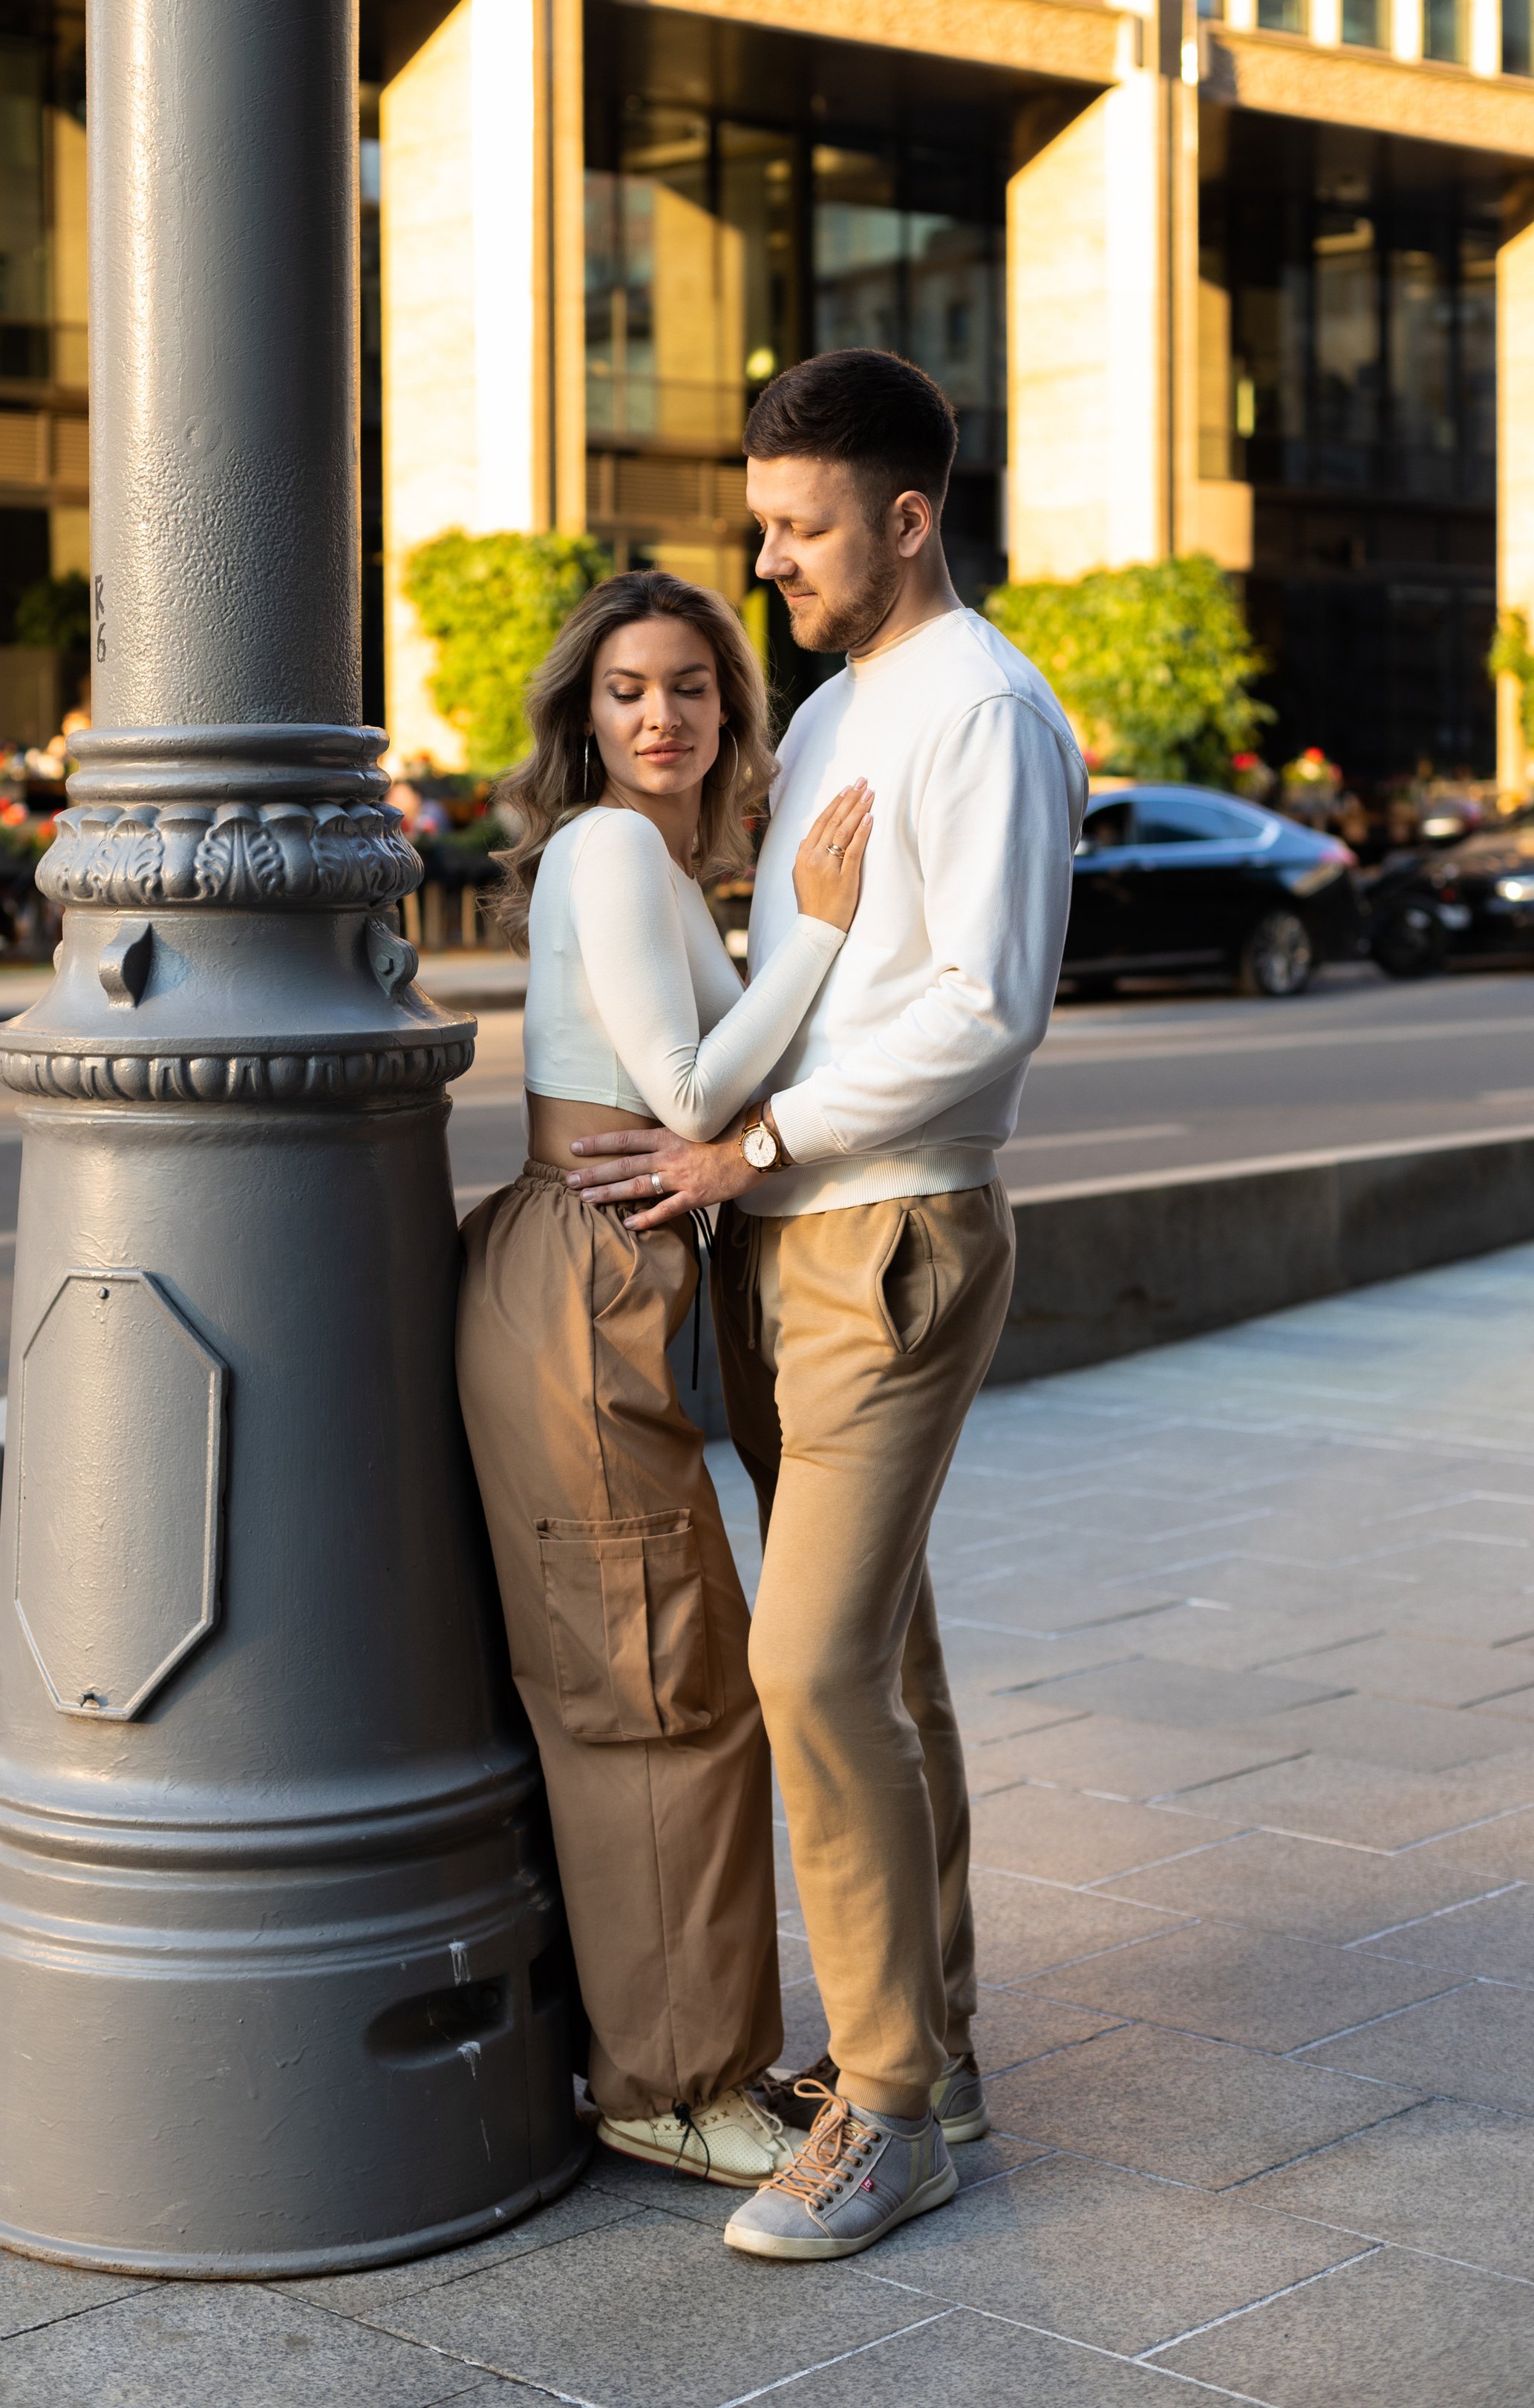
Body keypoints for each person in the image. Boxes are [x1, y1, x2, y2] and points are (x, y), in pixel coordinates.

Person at [565, 350, 1087, 2263]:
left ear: (901, 518)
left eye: (795, 526)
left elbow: (981, 1008)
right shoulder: (833, 702)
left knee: (806, 1670)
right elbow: (810, 960)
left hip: (884, 1234)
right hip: (790, 1235)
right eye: (759, 522)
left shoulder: (981, 710)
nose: (762, 555)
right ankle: (925, 2062)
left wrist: (754, 1136)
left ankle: (882, 2111)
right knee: (879, 1665)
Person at [456, 569, 875, 2193]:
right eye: (627, 689)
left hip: (593, 1279)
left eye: (691, 686)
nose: (661, 715)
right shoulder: (610, 848)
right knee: (656, 1687)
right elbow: (695, 1087)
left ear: (727, 708)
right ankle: (674, 2082)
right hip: (582, 1274)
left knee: (660, 1675)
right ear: (585, 714)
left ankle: (686, 2056)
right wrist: (818, 936)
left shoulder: (651, 871)